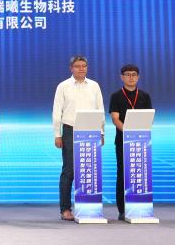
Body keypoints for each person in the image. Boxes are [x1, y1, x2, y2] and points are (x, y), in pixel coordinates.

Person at [52, 55, 104, 221]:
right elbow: (57, 112)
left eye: (84, 66)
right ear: (71, 68)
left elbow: (100, 110)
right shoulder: (63, 86)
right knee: (69, 170)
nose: (81, 69)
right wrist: (57, 134)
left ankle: (89, 207)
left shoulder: (94, 86)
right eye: (77, 66)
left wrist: (101, 132)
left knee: (89, 170)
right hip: (70, 130)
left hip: (91, 131)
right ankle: (65, 209)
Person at [109, 64, 152, 221]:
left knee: (140, 173)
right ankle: (122, 209)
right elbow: (115, 119)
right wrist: (128, 133)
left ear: (138, 77)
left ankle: (141, 206)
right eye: (127, 74)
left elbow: (149, 117)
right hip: (122, 141)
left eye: (134, 74)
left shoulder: (145, 96)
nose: (131, 77)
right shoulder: (116, 96)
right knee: (122, 174)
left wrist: (138, 134)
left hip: (141, 142)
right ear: (122, 77)